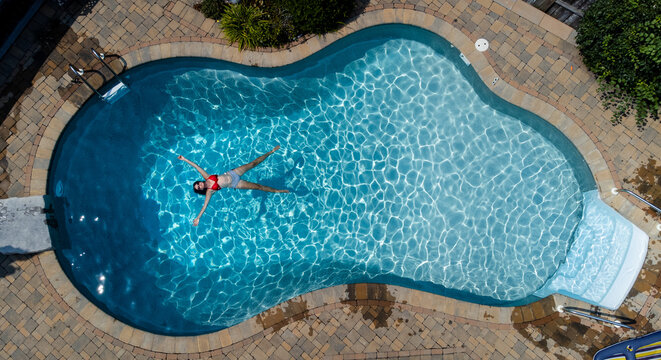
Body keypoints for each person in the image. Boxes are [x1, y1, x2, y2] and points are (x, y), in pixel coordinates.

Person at [178, 146, 289, 226]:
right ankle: (278, 191)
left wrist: (184, 159)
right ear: (201, 189)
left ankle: (271, 151)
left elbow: (196, 167)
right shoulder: (209, 192)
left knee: (253, 164)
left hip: (233, 173)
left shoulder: (206, 177)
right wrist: (198, 218)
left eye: (197, 183)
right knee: (258, 187)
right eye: (198, 187)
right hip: (235, 184)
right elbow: (204, 206)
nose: (199, 185)